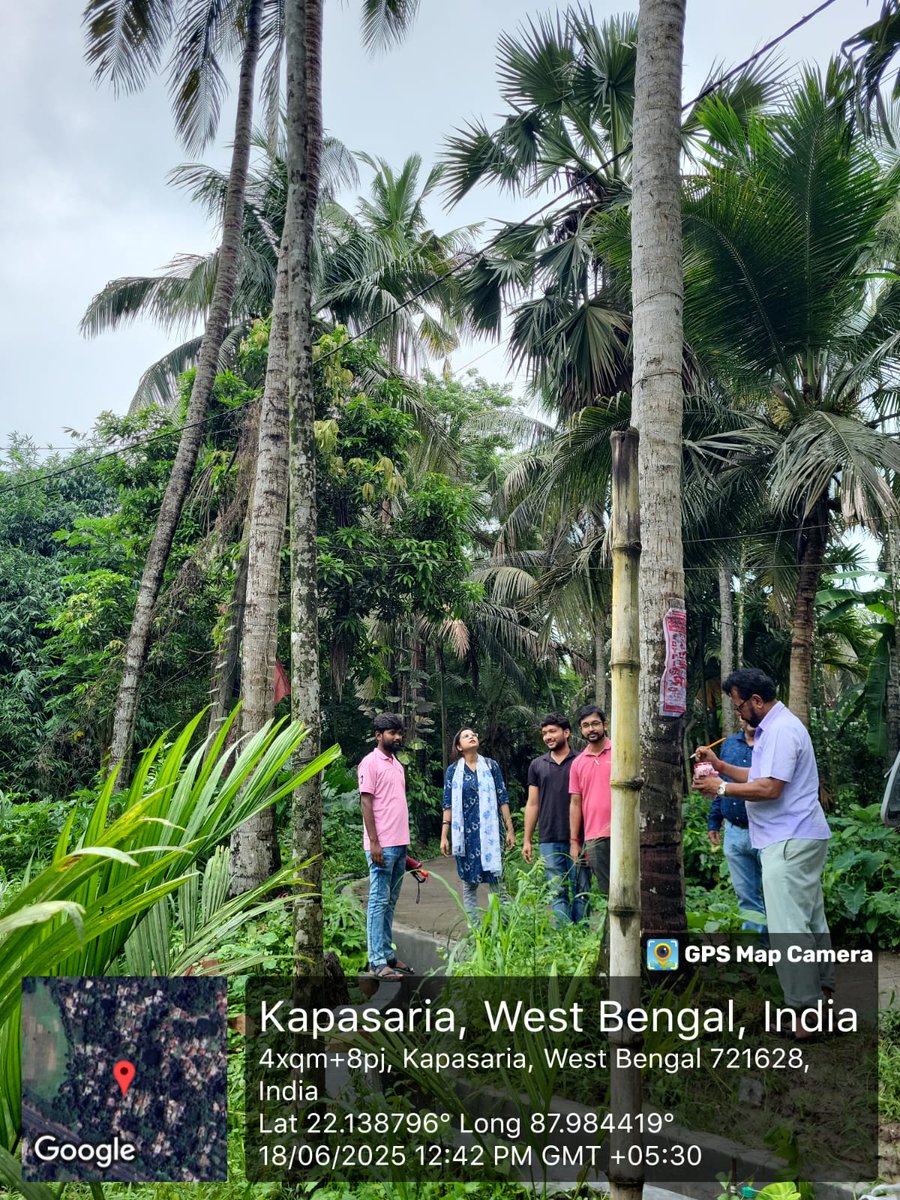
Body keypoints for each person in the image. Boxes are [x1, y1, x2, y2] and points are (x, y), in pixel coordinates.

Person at [694, 668, 832, 1028]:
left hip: (788, 838)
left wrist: (719, 788)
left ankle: (805, 1012)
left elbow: (770, 788)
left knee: (788, 926)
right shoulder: (776, 728)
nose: (738, 713)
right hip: (798, 835)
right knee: (809, 919)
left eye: (739, 705)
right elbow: (758, 775)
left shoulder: (781, 731)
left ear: (756, 700)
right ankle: (822, 995)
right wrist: (721, 767)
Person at [357, 713, 413, 981]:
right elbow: (366, 802)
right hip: (381, 846)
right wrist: (374, 842)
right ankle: (376, 962)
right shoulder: (370, 763)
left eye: (399, 732)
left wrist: (405, 848)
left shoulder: (397, 765)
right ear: (379, 735)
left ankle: (388, 956)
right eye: (392, 733)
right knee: (378, 902)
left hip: (399, 844)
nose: (397, 737)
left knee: (390, 901)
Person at [441, 728, 515, 923]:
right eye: (466, 736)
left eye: (473, 734)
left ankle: (503, 927)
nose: (472, 737)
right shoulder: (453, 771)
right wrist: (444, 836)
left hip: (492, 834)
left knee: (497, 882)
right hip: (466, 836)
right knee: (469, 885)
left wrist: (510, 829)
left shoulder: (491, 766)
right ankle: (474, 930)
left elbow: (502, 797)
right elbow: (448, 804)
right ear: (459, 747)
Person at [523, 714, 590, 924]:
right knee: (557, 892)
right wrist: (527, 839)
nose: (548, 737)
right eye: (544, 733)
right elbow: (532, 803)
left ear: (566, 732)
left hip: (580, 836)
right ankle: (564, 936)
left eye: (552, 731)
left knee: (582, 890)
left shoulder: (582, 761)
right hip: (549, 838)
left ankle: (581, 935)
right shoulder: (537, 765)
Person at [705, 720, 767, 937]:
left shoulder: (772, 743)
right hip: (734, 831)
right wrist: (714, 820)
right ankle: (756, 951)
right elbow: (721, 784)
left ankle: (783, 948)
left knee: (777, 896)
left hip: (768, 831)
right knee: (747, 899)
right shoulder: (729, 744)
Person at [569, 705, 612, 896]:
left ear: (605, 725)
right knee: (607, 891)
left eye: (595, 723)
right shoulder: (578, 763)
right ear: (581, 729)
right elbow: (575, 803)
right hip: (594, 835)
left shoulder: (620, 752)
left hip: (625, 831)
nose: (591, 729)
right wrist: (574, 841)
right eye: (586, 725)